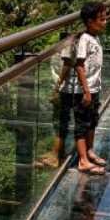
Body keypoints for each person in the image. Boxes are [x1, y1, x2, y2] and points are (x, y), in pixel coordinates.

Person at [72, 1, 108, 175]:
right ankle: (83, 160)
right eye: (101, 19)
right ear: (90, 21)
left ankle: (90, 150)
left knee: (92, 121)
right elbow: (79, 65)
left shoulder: (95, 38)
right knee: (81, 124)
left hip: (95, 89)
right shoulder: (84, 40)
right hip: (84, 92)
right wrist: (86, 91)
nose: (105, 22)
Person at [36, 39, 80, 168]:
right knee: (62, 120)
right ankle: (58, 152)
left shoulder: (71, 42)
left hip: (66, 89)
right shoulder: (77, 39)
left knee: (60, 120)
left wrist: (57, 88)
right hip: (69, 88)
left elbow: (66, 64)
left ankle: (56, 156)